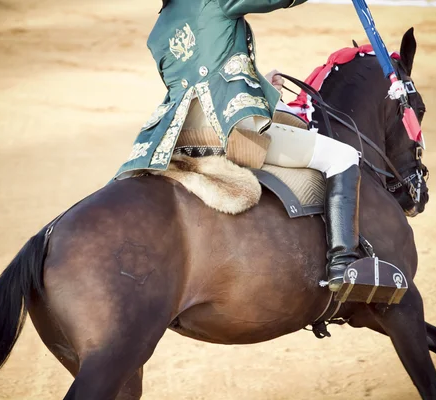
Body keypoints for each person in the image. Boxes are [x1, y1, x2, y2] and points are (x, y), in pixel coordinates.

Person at [114, 0, 365, 293]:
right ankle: (343, 263)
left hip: (179, 139)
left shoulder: (157, 32)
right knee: (342, 156)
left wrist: (263, 86)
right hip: (227, 131)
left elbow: (199, 78)